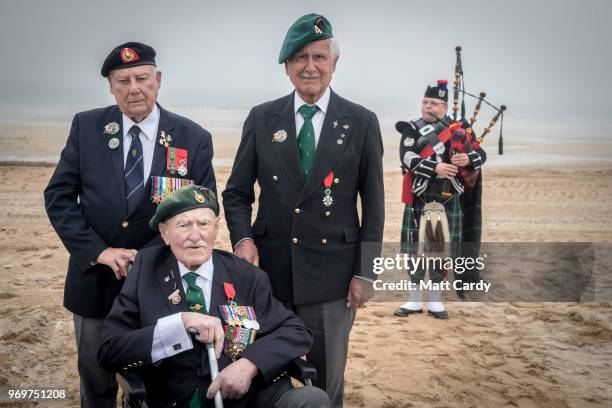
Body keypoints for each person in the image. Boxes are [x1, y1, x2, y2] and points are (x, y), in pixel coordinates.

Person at [222, 14, 385, 407]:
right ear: (286, 67)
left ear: (334, 63)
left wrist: (365, 273)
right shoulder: (263, 118)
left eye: (318, 56)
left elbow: (375, 207)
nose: (309, 66)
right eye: (299, 58)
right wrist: (243, 240)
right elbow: (236, 193)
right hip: (269, 274)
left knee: (327, 380)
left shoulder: (361, 121)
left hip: (333, 277)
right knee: (262, 370)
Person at [44, 42, 216, 407]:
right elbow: (58, 197)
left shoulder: (193, 138)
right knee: (95, 376)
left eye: (142, 78)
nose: (133, 88)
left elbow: (203, 214)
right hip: (95, 280)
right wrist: (100, 252)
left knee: (156, 378)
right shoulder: (87, 127)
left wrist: (149, 258)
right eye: (123, 81)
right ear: (110, 86)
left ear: (158, 79)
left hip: (160, 282)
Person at [98, 185, 330, 408]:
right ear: (164, 233)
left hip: (246, 401)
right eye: (183, 225)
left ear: (217, 228)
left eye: (204, 223)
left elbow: (295, 332)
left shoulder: (246, 275)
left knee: (312, 399)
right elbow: (111, 351)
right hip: (172, 398)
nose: (195, 235)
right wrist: (179, 325)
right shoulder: (144, 271)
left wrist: (250, 365)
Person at [394, 80, 486, 320]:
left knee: (439, 251)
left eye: (434, 103)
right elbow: (407, 157)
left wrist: (467, 159)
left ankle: (435, 302)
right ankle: (414, 301)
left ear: (445, 107)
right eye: (425, 102)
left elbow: (480, 154)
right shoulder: (412, 128)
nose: (428, 107)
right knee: (416, 251)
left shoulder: (460, 128)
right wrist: (436, 168)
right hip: (420, 196)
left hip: (449, 197)